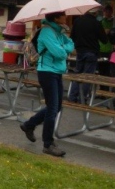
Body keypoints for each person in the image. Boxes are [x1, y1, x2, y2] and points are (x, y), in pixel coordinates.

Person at [19, 11, 74, 157]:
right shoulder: (47, 32)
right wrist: (64, 49)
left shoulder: (59, 32)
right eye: (63, 14)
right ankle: (48, 144)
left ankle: (29, 125)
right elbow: (60, 54)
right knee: (53, 109)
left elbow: (71, 44)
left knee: (56, 107)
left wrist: (64, 48)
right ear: (56, 18)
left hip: (57, 72)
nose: (66, 16)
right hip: (47, 72)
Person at [68, 9, 107, 103]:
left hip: (80, 51)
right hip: (92, 51)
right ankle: (82, 98)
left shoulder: (77, 21)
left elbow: (72, 37)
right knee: (87, 76)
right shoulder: (96, 23)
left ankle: (72, 97)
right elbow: (104, 40)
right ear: (95, 13)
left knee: (78, 74)